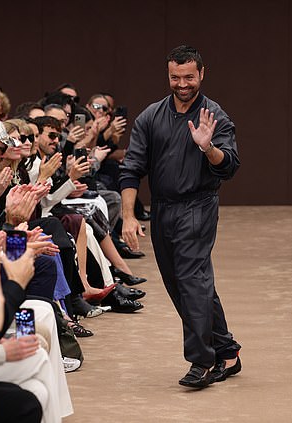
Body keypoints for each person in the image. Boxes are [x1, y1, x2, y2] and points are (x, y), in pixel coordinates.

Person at [120, 45, 242, 388]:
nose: (182, 83)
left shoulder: (213, 115)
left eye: (189, 76)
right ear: (168, 75)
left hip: (198, 206)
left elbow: (229, 166)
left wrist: (208, 147)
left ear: (202, 73)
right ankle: (227, 351)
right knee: (186, 284)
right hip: (162, 210)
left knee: (191, 281)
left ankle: (202, 361)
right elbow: (131, 169)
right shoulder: (150, 117)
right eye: (175, 77)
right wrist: (129, 217)